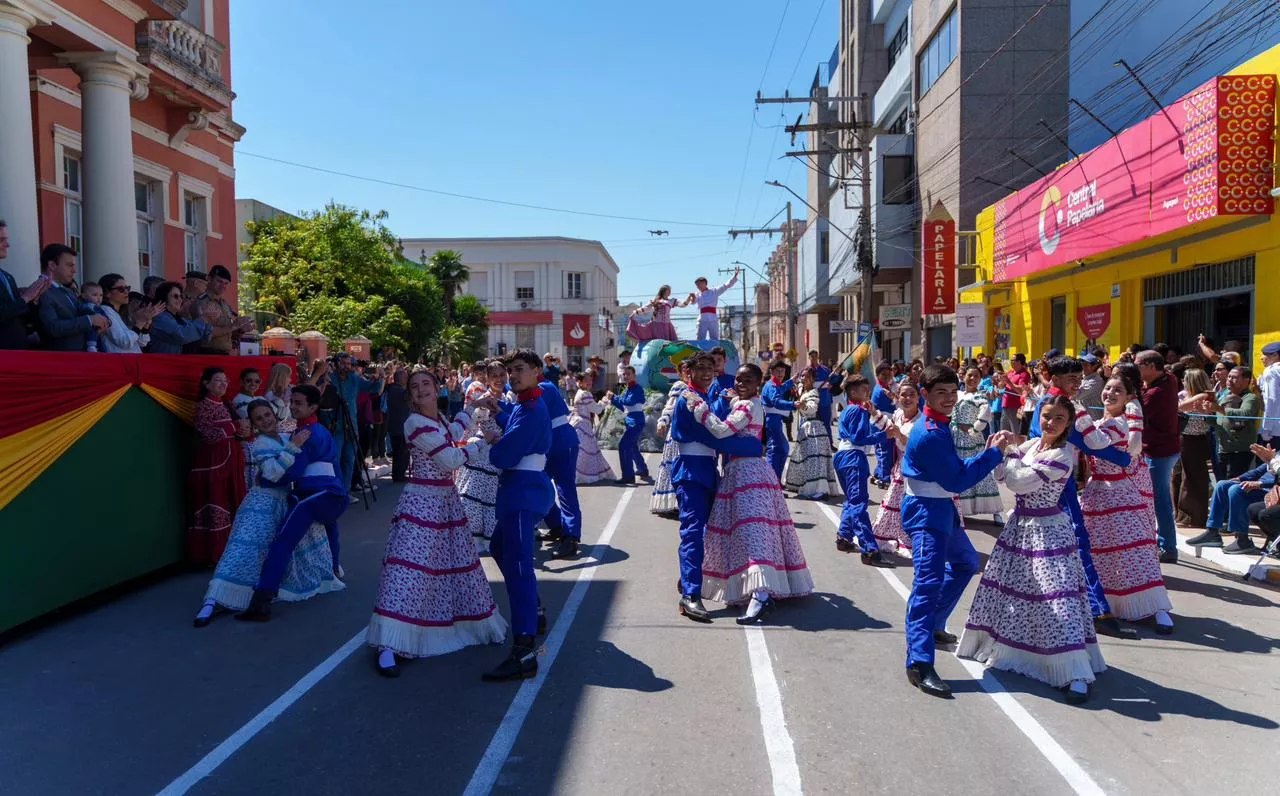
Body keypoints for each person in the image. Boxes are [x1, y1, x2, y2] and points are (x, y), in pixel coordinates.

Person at [958, 395, 1104, 704]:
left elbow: (1018, 482)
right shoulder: (1035, 445)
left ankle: (1074, 671)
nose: (1050, 422)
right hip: (1020, 528)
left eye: (1058, 419)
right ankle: (1023, 653)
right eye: (1047, 415)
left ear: (1069, 424)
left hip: (1049, 531)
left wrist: (1006, 454)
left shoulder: (1064, 453)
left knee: (1056, 598)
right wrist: (1002, 451)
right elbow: (1000, 475)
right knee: (1014, 594)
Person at [366, 371, 507, 676]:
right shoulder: (413, 423)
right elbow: (450, 460)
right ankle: (390, 643)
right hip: (421, 503)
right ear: (411, 397)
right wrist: (482, 443)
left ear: (436, 388)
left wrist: (477, 406)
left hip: (445, 503)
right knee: (408, 569)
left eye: (425, 384)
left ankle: (436, 628)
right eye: (415, 387)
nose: (420, 390)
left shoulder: (440, 419)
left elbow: (456, 426)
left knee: (450, 567)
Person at [901, 365, 1013, 698]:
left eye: (953, 392)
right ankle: (919, 662)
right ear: (925, 394)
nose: (949, 399)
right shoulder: (931, 432)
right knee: (926, 585)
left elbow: (954, 475)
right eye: (941, 393)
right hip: (926, 513)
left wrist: (986, 452)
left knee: (965, 562)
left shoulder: (939, 423)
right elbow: (956, 480)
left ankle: (933, 624)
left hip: (940, 509)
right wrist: (993, 454)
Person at [194, 399, 344, 627]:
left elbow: (299, 467)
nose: (266, 421)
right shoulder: (261, 443)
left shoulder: (286, 436)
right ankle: (213, 599)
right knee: (244, 550)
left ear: (275, 414)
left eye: (267, 415)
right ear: (254, 425)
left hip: (286, 500)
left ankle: (266, 592)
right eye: (259, 418)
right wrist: (293, 448)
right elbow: (273, 473)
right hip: (263, 503)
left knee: (290, 546)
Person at [684, 363, 813, 623]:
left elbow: (721, 431)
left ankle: (761, 594)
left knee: (754, 531)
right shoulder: (745, 403)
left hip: (748, 473)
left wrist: (698, 407)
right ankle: (754, 588)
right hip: (741, 471)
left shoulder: (748, 405)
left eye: (748, 380)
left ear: (758, 384)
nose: (741, 383)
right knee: (746, 531)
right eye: (739, 379)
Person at [474, 349, 556, 682]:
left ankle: (523, 652)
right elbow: (517, 423)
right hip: (518, 491)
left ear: (538, 371)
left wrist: (493, 438)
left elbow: (505, 456)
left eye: (520, 369)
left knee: (520, 568)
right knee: (500, 549)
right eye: (510, 371)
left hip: (523, 492)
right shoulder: (526, 404)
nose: (513, 375)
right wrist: (502, 413)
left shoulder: (533, 408)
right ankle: (532, 610)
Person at [237, 384, 349, 621]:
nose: (293, 406)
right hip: (331, 494)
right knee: (330, 533)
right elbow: (335, 466)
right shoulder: (314, 430)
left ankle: (262, 600)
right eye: (292, 401)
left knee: (283, 541)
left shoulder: (307, 433)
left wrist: (268, 479)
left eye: (298, 403)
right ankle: (333, 572)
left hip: (315, 496)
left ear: (313, 407)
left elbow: (293, 473)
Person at [669, 352, 767, 623]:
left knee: (714, 532)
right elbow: (714, 435)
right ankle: (690, 594)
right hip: (691, 470)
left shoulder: (706, 398)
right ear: (688, 372)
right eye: (700, 369)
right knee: (692, 532)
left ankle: (693, 577)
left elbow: (727, 425)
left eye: (710, 369)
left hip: (710, 471)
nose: (706, 373)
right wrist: (751, 447)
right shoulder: (687, 399)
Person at [1079, 374, 1175, 632]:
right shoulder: (1101, 421)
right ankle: (1109, 604)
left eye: (1117, 390)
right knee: (1100, 554)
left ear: (1130, 397)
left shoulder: (1121, 425)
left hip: (1120, 494)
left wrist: (1076, 412)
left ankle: (1158, 609)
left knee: (1136, 552)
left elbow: (1094, 442)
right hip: (1096, 494)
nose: (1109, 393)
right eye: (1108, 388)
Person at [187, 368, 251, 567]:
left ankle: (235, 550)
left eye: (225, 380)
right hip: (214, 464)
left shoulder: (227, 404)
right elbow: (208, 435)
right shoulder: (203, 407)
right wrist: (234, 427)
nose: (223, 384)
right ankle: (214, 554)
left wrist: (243, 430)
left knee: (234, 503)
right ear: (206, 383)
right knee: (217, 504)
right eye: (218, 381)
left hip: (231, 461)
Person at [832, 374, 897, 564]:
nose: (867, 392)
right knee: (859, 502)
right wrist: (883, 435)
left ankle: (844, 536)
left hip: (844, 456)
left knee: (852, 500)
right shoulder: (858, 411)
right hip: (853, 457)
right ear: (853, 392)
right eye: (863, 389)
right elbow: (858, 438)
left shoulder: (849, 410)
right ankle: (869, 549)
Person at [1135, 350, 1182, 562]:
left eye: (1138, 365)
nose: (1136, 369)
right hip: (1165, 448)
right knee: (1157, 498)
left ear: (1152, 366)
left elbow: (1139, 413)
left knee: (1159, 500)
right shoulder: (1169, 379)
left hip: (1158, 452)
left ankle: (1168, 547)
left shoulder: (1154, 393)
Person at [457, 362, 505, 553]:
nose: (499, 379)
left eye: (502, 374)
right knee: (475, 498)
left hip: (501, 454)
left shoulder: (510, 398)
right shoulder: (484, 400)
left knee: (492, 499)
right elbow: (485, 430)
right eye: (495, 376)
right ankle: (474, 541)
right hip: (484, 455)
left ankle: (492, 537)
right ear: (487, 377)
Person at [536, 373, 583, 560]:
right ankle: (556, 525)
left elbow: (525, 414)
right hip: (548, 446)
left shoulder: (543, 387)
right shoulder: (536, 388)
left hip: (562, 443)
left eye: (519, 369)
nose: (514, 375)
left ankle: (571, 537)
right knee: (540, 487)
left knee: (565, 490)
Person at [872, 382, 920, 554]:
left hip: (914, 468)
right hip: (900, 466)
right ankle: (888, 534)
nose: (907, 398)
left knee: (908, 504)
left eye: (911, 394)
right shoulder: (899, 414)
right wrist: (873, 411)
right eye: (903, 395)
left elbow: (913, 445)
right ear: (897, 397)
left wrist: (899, 434)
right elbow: (889, 428)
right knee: (894, 501)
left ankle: (909, 538)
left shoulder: (920, 421)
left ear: (919, 397)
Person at [327, 352, 385, 494]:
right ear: (336, 364)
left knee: (349, 460)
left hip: (351, 425)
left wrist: (380, 377)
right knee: (335, 460)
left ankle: (345, 492)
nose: (347, 367)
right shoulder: (330, 379)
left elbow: (374, 389)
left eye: (349, 364)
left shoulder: (354, 378)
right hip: (335, 425)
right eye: (343, 364)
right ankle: (335, 490)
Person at [954, 367, 1004, 525]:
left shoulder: (981, 396)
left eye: (976, 376)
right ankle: (960, 510)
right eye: (970, 375)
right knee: (960, 473)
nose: (972, 379)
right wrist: (954, 427)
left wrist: (972, 430)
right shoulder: (958, 395)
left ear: (980, 379)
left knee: (982, 473)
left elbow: (985, 415)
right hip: (956, 439)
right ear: (964, 377)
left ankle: (996, 512)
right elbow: (951, 414)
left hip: (972, 440)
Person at [1196, 455, 1275, 554]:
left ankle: (1242, 540)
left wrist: (1260, 484)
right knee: (1222, 485)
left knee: (1237, 490)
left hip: (1272, 491)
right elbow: (1260, 470)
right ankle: (1212, 532)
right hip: (1261, 487)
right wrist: (1241, 478)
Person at [35, 244, 107, 351]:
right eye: (69, 265)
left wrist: (102, 320)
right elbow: (52, 327)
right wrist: (89, 320)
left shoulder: (67, 291)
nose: (74, 271)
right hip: (60, 360)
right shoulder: (40, 291)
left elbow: (83, 311)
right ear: (52, 265)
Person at [783, 368, 840, 499]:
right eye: (803, 376)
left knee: (816, 459)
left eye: (807, 376)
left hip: (813, 428)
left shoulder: (813, 392)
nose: (804, 378)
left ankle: (819, 490)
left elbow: (811, 408)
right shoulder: (802, 390)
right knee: (806, 458)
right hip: (805, 428)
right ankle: (805, 486)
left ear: (813, 379)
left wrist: (803, 406)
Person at [1204, 366, 1261, 480]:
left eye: (1234, 377)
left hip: (1238, 450)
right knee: (1220, 482)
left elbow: (1245, 414)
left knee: (1232, 483)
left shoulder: (1250, 398)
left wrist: (1219, 409)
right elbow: (1216, 421)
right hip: (1222, 448)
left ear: (1246, 380)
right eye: (1229, 376)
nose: (1229, 380)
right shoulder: (1224, 397)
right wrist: (1206, 412)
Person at [652, 360, 692, 515]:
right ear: (680, 372)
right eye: (684, 370)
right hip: (677, 434)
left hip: (688, 434)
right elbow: (669, 407)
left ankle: (680, 501)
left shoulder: (694, 387)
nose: (687, 372)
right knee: (674, 466)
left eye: (690, 369)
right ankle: (671, 503)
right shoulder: (679, 387)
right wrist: (663, 422)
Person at [1176, 368, 1215, 527]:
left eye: (1185, 379)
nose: (1183, 382)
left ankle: (1195, 517)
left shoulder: (1204, 395)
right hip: (1186, 438)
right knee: (1185, 477)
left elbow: (1179, 407)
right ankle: (1185, 515)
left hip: (1195, 440)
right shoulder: (1189, 395)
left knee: (1194, 479)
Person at [190, 264, 253, 354]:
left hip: (225, 353)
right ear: (209, 279)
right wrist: (232, 326)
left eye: (226, 283)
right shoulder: (201, 303)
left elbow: (228, 334)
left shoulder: (224, 304)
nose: (223, 286)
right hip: (208, 354)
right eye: (219, 281)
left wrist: (241, 329)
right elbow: (205, 333)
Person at [608, 367, 652, 485]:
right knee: (631, 446)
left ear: (634, 375)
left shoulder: (636, 389)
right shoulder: (629, 388)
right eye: (624, 374)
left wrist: (615, 397)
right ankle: (642, 469)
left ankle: (628, 476)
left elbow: (629, 401)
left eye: (628, 374)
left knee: (623, 446)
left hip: (635, 421)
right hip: (632, 420)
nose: (625, 376)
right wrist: (613, 399)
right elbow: (625, 407)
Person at [96, 274, 156, 354]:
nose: (126, 292)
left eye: (127, 288)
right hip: (119, 363)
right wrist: (140, 323)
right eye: (121, 289)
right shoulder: (105, 311)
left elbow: (141, 343)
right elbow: (125, 342)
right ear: (107, 293)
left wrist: (145, 323)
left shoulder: (117, 313)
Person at [149, 281, 214, 353]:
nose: (180, 300)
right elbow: (182, 335)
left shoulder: (180, 319)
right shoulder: (159, 318)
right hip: (163, 363)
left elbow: (204, 339)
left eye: (181, 297)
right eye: (176, 296)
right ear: (164, 297)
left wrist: (209, 318)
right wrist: (204, 319)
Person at [570, 384, 615, 484]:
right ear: (579, 382)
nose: (589, 383)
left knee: (580, 450)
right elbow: (597, 409)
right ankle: (580, 475)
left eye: (590, 380)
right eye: (586, 380)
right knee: (586, 451)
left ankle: (572, 474)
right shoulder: (585, 394)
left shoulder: (578, 392)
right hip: (583, 425)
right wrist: (605, 399)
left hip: (576, 423)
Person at [761, 360, 795, 480]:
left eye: (783, 371)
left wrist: (791, 382)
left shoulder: (773, 384)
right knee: (777, 450)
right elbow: (776, 401)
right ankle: (773, 482)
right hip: (772, 421)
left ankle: (775, 482)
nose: (781, 374)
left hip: (774, 421)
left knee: (781, 449)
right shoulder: (771, 386)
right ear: (771, 372)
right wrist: (794, 404)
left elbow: (780, 389)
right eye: (778, 371)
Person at [685, 270, 739, 341]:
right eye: (697, 285)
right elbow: (693, 302)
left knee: (714, 338)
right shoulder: (697, 294)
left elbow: (726, 286)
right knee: (700, 338)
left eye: (699, 284)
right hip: (702, 318)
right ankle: (700, 351)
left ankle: (715, 351)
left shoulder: (714, 291)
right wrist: (693, 297)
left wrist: (734, 277)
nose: (698, 287)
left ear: (705, 283)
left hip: (713, 318)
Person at [232, 368, 263, 491]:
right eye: (249, 380)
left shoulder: (256, 399)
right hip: (247, 447)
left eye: (257, 381)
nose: (253, 384)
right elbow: (257, 424)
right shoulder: (239, 400)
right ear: (241, 382)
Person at [870, 363, 898, 487]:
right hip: (880, 425)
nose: (887, 376)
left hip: (888, 423)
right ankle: (884, 478)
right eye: (884, 374)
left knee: (889, 451)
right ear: (877, 375)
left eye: (889, 374)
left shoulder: (889, 387)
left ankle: (878, 473)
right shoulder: (880, 391)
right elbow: (876, 411)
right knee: (884, 452)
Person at [383, 367, 411, 482]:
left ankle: (398, 474)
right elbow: (408, 396)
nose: (406, 379)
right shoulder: (397, 390)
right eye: (405, 377)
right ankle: (399, 474)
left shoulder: (392, 389)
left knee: (399, 452)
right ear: (400, 379)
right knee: (401, 452)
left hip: (396, 425)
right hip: (399, 426)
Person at [1001, 353, 1031, 433]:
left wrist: (1008, 382)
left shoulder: (1024, 374)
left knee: (1015, 431)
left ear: (1019, 362)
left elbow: (1021, 390)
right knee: (1004, 430)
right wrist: (1000, 382)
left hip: (1015, 406)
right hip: (1005, 405)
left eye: (1013, 360)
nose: (1011, 362)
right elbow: (1003, 386)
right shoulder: (1010, 372)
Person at [1078, 353, 1106, 420]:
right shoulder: (1084, 378)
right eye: (1082, 364)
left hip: (1094, 419)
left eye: (1086, 365)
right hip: (1085, 419)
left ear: (1094, 366)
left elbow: (1077, 395)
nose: (1083, 367)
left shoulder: (1096, 381)